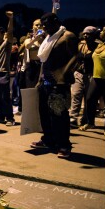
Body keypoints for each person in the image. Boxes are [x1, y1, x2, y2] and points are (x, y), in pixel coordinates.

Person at [29, 13, 79, 159]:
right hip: (46, 82)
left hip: (59, 83)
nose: (44, 28)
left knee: (59, 115)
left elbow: (76, 56)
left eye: (46, 24)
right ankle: (48, 140)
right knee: (44, 114)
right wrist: (39, 80)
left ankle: (64, 145)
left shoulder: (68, 36)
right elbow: (44, 62)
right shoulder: (48, 38)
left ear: (56, 21)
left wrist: (65, 72)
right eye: (42, 25)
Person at [0, 11, 16, 126]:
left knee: (5, 97)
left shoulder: (7, 44)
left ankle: (10, 118)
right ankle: (0, 117)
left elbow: (10, 32)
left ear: (3, 34)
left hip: (3, 73)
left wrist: (10, 19)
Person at [70, 26, 99, 126]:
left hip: (91, 74)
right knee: (75, 94)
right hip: (79, 73)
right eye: (85, 33)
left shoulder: (98, 46)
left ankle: (86, 119)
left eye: (89, 34)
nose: (86, 35)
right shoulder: (80, 45)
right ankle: (73, 118)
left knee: (88, 98)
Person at [81, 27, 105, 131]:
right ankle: (90, 122)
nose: (102, 31)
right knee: (90, 99)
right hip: (96, 77)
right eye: (103, 29)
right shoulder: (100, 44)